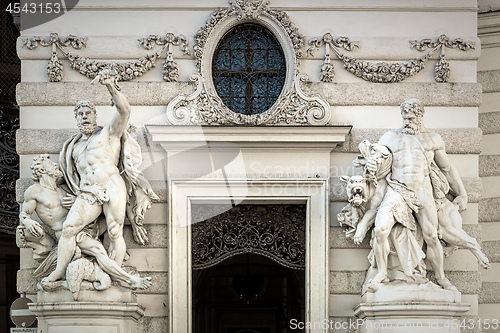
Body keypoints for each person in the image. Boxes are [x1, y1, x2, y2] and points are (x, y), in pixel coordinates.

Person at [43, 68, 158, 283]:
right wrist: (76, 193)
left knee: (115, 231)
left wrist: (110, 86)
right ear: (76, 118)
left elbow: (124, 110)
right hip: (88, 190)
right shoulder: (72, 148)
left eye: (88, 113)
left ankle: (112, 279)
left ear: (95, 116)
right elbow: (68, 177)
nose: (84, 116)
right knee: (69, 228)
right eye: (80, 114)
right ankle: (59, 271)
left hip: (111, 183)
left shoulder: (108, 133)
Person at [366, 98, 467, 291]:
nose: (406, 121)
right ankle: (382, 272)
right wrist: (371, 166)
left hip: (422, 190)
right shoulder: (389, 138)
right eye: (404, 117)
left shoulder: (432, 139)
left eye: (410, 118)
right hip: (397, 189)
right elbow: (378, 163)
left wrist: (462, 193)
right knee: (380, 230)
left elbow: (447, 169)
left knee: (431, 236)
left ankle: (441, 278)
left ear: (420, 116)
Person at [20, 154, 152, 289]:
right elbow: (24, 214)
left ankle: (118, 274)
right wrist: (28, 222)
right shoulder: (34, 191)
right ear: (41, 170)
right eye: (50, 163)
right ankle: (128, 280)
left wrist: (75, 200)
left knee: (113, 225)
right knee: (98, 250)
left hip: (84, 228)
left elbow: (81, 203)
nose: (55, 165)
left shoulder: (63, 189)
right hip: (67, 234)